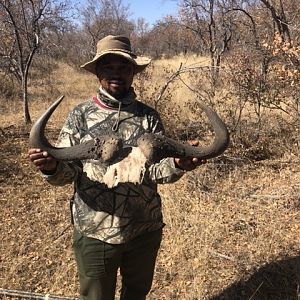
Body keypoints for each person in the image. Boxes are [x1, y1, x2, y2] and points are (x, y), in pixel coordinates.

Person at [28, 35, 202, 300]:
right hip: (95, 233)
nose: (116, 74)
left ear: (133, 72)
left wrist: (178, 165)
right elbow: (68, 172)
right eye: (108, 67)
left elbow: (155, 172)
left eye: (124, 67)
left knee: (136, 295)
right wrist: (51, 167)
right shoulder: (80, 115)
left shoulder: (148, 117)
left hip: (144, 229)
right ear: (98, 72)